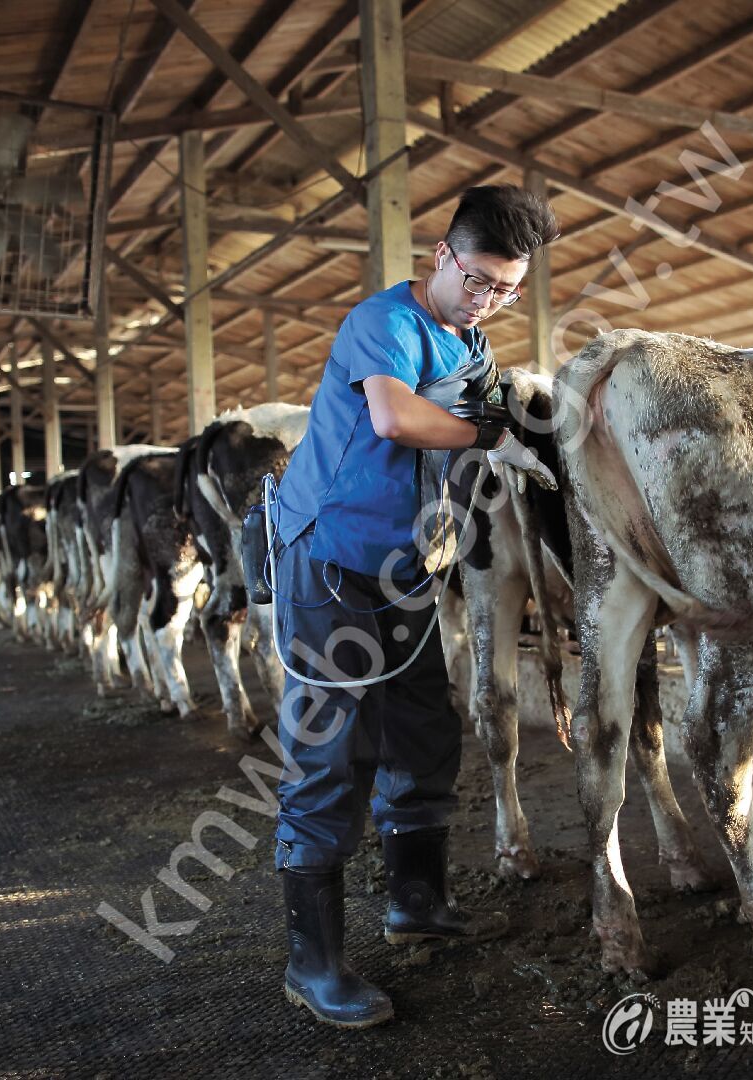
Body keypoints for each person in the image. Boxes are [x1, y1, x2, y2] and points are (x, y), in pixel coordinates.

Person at [271, 184, 558, 1029]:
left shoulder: (475, 342)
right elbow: (395, 418)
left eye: (508, 289)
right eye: (478, 281)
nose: (490, 300)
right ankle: (313, 964)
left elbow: (496, 401)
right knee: (332, 756)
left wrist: (535, 420)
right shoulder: (383, 322)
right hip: (329, 561)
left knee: (425, 730)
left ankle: (414, 903)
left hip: (405, 570)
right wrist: (489, 438)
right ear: (443, 256)